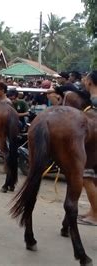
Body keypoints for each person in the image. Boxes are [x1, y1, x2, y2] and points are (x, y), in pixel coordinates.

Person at [77, 71, 97, 226]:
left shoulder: (95, 100)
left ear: (90, 82)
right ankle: (93, 210)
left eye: (86, 79)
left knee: (86, 176)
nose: (83, 81)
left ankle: (95, 214)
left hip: (93, 146)